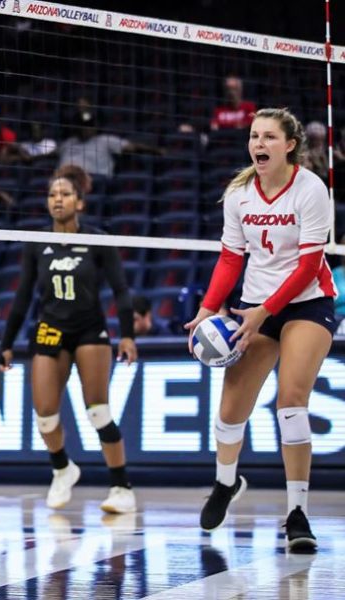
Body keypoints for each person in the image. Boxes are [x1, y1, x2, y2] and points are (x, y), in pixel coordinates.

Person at [185, 108, 333, 553]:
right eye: (254, 136)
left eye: (269, 136)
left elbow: (309, 264)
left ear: (290, 145)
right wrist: (207, 309)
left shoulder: (311, 188)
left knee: (290, 401)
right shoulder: (240, 193)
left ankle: (296, 512)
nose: (258, 144)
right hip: (255, 305)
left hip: (307, 301)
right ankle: (226, 484)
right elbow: (231, 258)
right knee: (231, 409)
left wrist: (263, 311)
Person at [0, 165, 138, 514]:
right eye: (52, 195)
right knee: (44, 414)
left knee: (98, 410)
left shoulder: (97, 240)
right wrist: (7, 342)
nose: (57, 200)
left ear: (80, 203)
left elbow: (121, 291)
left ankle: (121, 487)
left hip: (90, 328)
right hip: (50, 328)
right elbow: (23, 296)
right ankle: (62, 468)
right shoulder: (37, 244)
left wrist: (128, 335)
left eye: (65, 194)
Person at [58, 102, 160, 178]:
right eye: (82, 126)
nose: (86, 129)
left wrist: (156, 150)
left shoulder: (104, 140)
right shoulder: (68, 143)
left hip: (93, 182)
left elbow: (132, 147)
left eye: (89, 126)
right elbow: (51, 152)